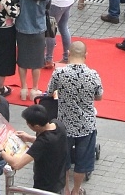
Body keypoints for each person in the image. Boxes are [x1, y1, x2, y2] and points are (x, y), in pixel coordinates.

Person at [46, 40, 102, 194]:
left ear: (68, 54)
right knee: (82, 162)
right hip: (86, 125)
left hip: (64, 125)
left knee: (64, 160)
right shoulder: (93, 75)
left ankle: (65, 189)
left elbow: (49, 92)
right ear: (86, 55)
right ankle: (76, 190)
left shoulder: (59, 73)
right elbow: (99, 96)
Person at [0, 104, 69, 194]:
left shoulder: (42, 142)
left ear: (36, 126)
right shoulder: (58, 124)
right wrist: (29, 138)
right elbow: (51, 143)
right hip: (59, 180)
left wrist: (0, 151)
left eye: (28, 124)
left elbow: (17, 164)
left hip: (46, 187)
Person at [12, 0, 51, 100]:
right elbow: (47, 10)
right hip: (38, 30)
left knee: (22, 60)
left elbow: (14, 3)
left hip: (22, 29)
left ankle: (23, 88)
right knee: (37, 62)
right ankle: (34, 89)